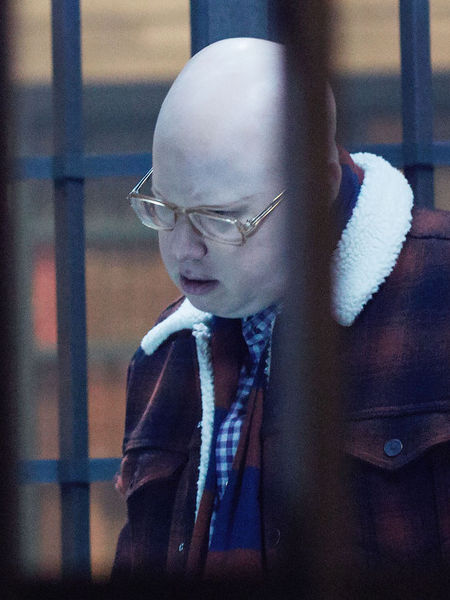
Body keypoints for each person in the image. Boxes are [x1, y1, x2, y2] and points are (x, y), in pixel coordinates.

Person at [112, 37, 450, 581]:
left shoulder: (437, 294)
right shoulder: (166, 354)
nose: (183, 249)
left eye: (219, 218)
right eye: (163, 209)